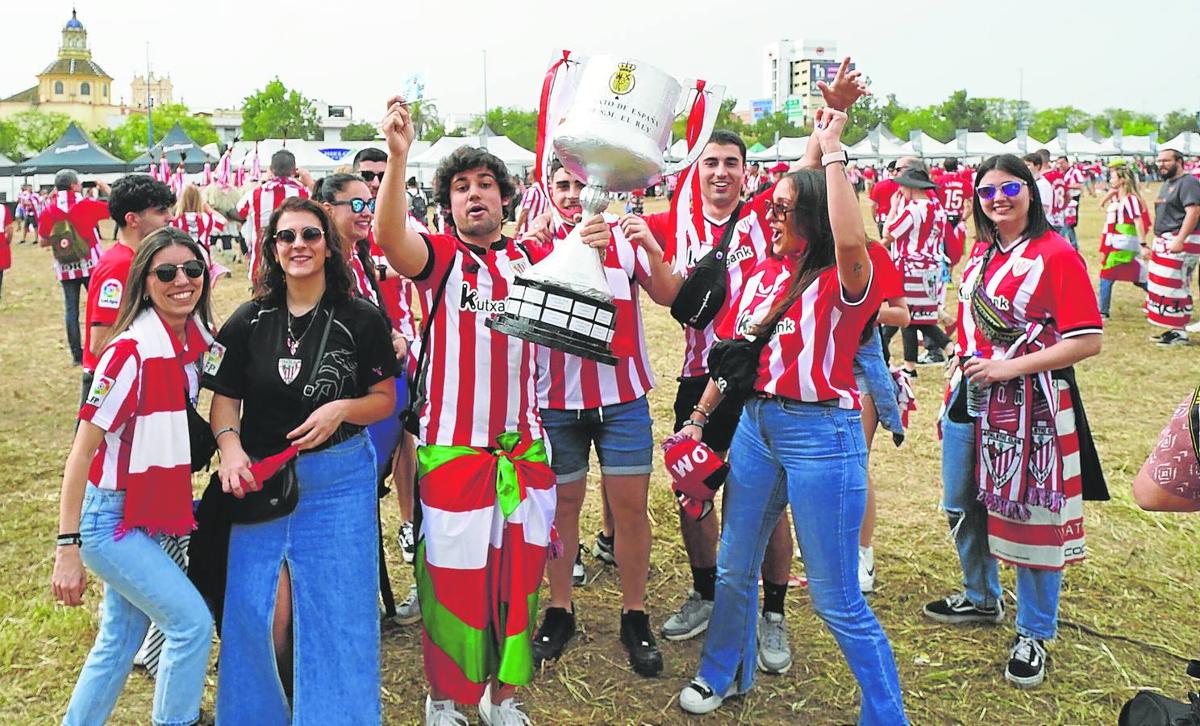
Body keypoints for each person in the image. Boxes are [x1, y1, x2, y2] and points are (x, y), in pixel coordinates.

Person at [676, 108, 907, 724]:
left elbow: (851, 238)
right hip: (756, 428)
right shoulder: (757, 275)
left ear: (810, 217)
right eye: (770, 206)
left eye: (782, 209)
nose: (769, 216)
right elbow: (734, 362)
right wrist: (698, 421)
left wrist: (832, 153)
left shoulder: (843, 278)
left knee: (836, 599)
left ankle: (886, 714)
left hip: (821, 437)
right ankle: (722, 670)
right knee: (732, 566)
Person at [375, 97, 556, 726]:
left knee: (517, 584)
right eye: (460, 187)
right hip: (454, 455)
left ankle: (501, 696)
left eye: (486, 185)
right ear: (446, 204)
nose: (474, 195)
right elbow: (389, 240)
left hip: (524, 455)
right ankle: (446, 696)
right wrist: (398, 157)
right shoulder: (443, 260)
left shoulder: (531, 263)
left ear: (505, 199)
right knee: (454, 587)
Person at [205, 197, 398, 722]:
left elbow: (386, 398)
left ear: (328, 247)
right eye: (287, 237)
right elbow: (223, 396)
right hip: (263, 483)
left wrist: (342, 409)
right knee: (261, 613)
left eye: (310, 235)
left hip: (338, 482)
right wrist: (230, 447)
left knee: (337, 615)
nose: (299, 246)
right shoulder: (248, 320)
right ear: (271, 248)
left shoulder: (362, 318)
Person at [925, 153, 1105, 689]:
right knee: (961, 502)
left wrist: (1009, 365)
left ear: (1031, 190)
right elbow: (968, 331)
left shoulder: (1057, 254)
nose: (998, 199)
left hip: (1031, 406)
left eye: (1009, 188)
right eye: (987, 192)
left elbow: (1087, 340)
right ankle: (982, 596)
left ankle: (1034, 631)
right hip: (970, 393)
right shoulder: (980, 256)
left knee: (1031, 519)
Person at [52, 226, 216, 726]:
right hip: (110, 520)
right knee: (190, 624)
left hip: (143, 512)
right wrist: (67, 547)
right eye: (165, 272)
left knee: (119, 639)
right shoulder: (130, 354)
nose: (181, 280)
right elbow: (81, 454)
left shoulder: (191, 343)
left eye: (192, 270)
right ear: (144, 282)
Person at [525, 159, 667, 678]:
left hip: (623, 397)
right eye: (561, 185)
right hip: (556, 401)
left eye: (580, 185)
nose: (570, 194)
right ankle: (559, 608)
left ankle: (635, 614)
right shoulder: (533, 244)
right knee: (561, 510)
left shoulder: (627, 239)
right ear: (547, 190)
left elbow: (672, 296)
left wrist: (651, 248)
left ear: (599, 190)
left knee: (630, 510)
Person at [82, 175, 176, 404]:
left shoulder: (137, 260)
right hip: (112, 382)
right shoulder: (120, 266)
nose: (170, 217)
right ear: (132, 219)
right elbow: (100, 342)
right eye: (160, 211)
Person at [880, 167, 953, 375]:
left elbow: (889, 232)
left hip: (910, 267)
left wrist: (893, 208)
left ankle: (915, 362)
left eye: (902, 185)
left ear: (911, 187)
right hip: (931, 267)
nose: (900, 190)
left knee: (908, 315)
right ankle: (941, 351)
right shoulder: (937, 209)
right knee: (918, 316)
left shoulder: (913, 210)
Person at [37, 169, 112, 366]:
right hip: (91, 265)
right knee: (98, 307)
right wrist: (104, 187)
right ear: (74, 186)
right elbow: (116, 208)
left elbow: (42, 241)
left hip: (64, 267)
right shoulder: (87, 204)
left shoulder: (49, 210)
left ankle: (76, 355)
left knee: (71, 310)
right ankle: (99, 347)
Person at [1145, 148, 1200, 344]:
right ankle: (1175, 328)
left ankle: (1181, 334)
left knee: (1176, 285)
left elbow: (1193, 211)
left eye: (1166, 161)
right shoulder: (1168, 183)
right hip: (1165, 240)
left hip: (1179, 241)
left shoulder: (1188, 183)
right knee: (1165, 288)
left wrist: (1180, 239)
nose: (1161, 164)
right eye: (1159, 161)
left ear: (1179, 161)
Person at [236, 149, 313, 280]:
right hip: (293, 259)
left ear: (271, 169)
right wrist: (310, 182)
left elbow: (240, 212)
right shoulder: (304, 193)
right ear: (295, 170)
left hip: (261, 261)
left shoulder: (256, 193)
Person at [1097, 164, 1151, 319]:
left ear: (1121, 180)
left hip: (1123, 242)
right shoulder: (1121, 197)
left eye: (1113, 177)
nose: (1110, 180)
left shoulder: (1130, 199)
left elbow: (1138, 220)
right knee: (1136, 275)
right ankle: (1159, 296)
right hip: (1118, 240)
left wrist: (1143, 244)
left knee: (1106, 275)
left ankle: (1103, 312)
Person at [171, 183, 227, 267]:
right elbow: (223, 222)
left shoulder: (176, 221)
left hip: (182, 260)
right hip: (203, 258)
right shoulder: (207, 218)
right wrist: (209, 209)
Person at [937, 158, 973, 268]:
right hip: (957, 218)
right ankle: (951, 278)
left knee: (940, 247)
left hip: (942, 219)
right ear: (957, 167)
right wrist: (964, 217)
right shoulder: (964, 183)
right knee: (954, 250)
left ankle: (943, 276)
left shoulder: (938, 181)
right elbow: (971, 204)